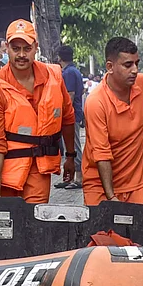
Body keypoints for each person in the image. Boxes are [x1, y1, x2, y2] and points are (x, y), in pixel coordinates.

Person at [0, 20, 77, 203]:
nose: (22, 55)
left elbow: (68, 118)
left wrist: (70, 157)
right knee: (7, 228)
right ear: (7, 48)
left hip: (39, 168)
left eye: (27, 48)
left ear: (36, 47)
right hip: (5, 171)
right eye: (16, 49)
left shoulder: (54, 77)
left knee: (35, 224)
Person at [83, 37, 143, 206]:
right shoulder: (96, 102)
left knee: (137, 232)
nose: (135, 70)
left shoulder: (142, 83)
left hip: (136, 183)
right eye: (128, 65)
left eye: (137, 63)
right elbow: (101, 154)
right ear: (110, 67)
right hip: (100, 185)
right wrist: (111, 199)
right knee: (102, 233)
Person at [56, 44, 85, 190]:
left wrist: (64, 114)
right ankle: (70, 177)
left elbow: (70, 95)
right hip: (75, 113)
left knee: (73, 146)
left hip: (71, 115)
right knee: (70, 146)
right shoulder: (74, 71)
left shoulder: (68, 73)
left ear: (59, 57)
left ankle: (79, 178)